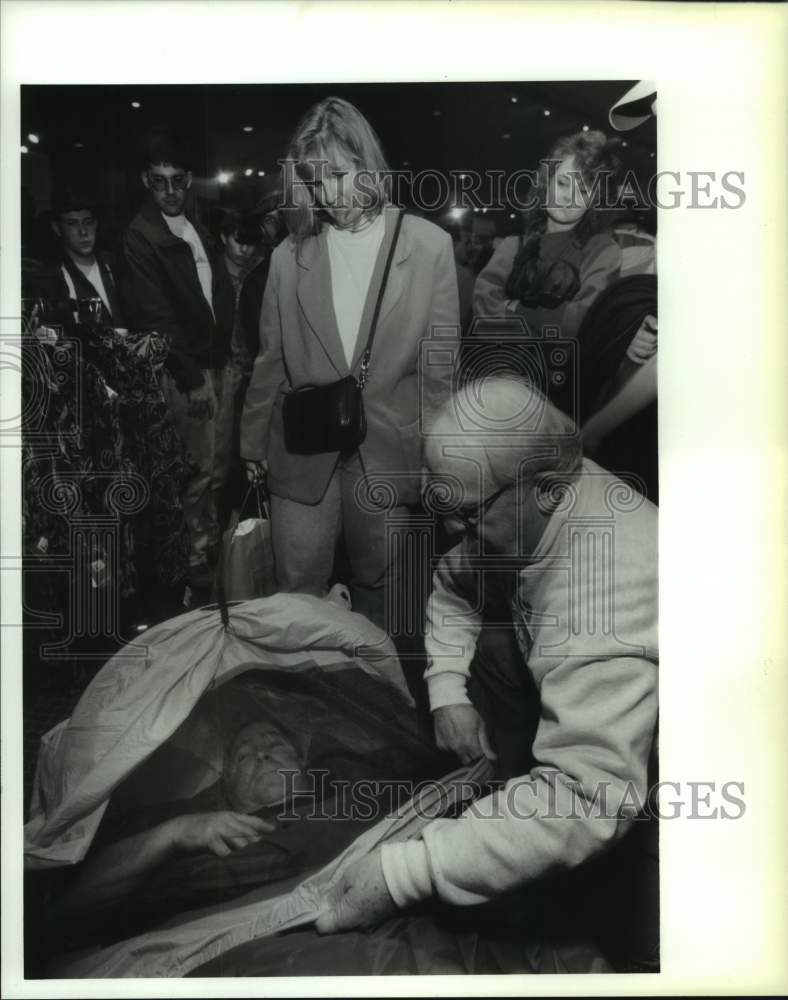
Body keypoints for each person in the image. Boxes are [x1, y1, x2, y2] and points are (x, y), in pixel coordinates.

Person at [316, 376, 658, 968]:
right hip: (603, 718)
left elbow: (587, 798)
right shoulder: (516, 505)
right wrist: (447, 688)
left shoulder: (599, 597)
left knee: (645, 944)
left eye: (467, 514)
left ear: (547, 490)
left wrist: (407, 871)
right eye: (441, 507)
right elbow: (456, 582)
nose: (452, 532)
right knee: (499, 654)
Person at [241, 96, 459, 630]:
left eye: (340, 175)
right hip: (300, 450)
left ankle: (371, 700)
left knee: (381, 595)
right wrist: (249, 447)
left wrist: (444, 462)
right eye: (315, 182)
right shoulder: (289, 255)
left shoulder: (428, 246)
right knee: (297, 598)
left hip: (388, 449)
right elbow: (269, 360)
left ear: (368, 163)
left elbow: (439, 372)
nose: (329, 195)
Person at [120, 128, 236, 598]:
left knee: (217, 469)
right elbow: (156, 319)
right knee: (195, 474)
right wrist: (192, 380)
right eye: (158, 181)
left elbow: (216, 296)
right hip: (186, 374)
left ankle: (205, 555)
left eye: (178, 180)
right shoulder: (140, 237)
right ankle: (192, 568)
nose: (169, 191)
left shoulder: (193, 227)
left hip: (214, 364)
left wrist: (226, 360)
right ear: (145, 182)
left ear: (189, 180)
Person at [472, 130, 623, 417]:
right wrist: (546, 318)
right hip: (495, 385)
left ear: (596, 199)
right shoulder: (514, 244)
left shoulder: (603, 250)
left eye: (584, 189)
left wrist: (515, 311)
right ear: (547, 182)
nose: (569, 198)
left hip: (557, 399)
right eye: (563, 183)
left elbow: (579, 327)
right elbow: (482, 305)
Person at [24, 185, 126, 331]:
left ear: (96, 224)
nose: (83, 232)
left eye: (88, 222)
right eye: (72, 224)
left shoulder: (118, 266)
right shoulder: (50, 280)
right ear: (57, 228)